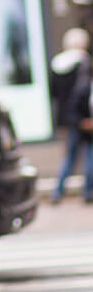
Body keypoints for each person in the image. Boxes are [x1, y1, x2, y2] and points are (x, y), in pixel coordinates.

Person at [50, 27, 93, 204]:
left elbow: (52, 93)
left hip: (68, 116)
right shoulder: (84, 62)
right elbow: (84, 91)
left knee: (70, 155)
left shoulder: (56, 64)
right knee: (89, 155)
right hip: (84, 115)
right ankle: (87, 191)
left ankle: (58, 191)